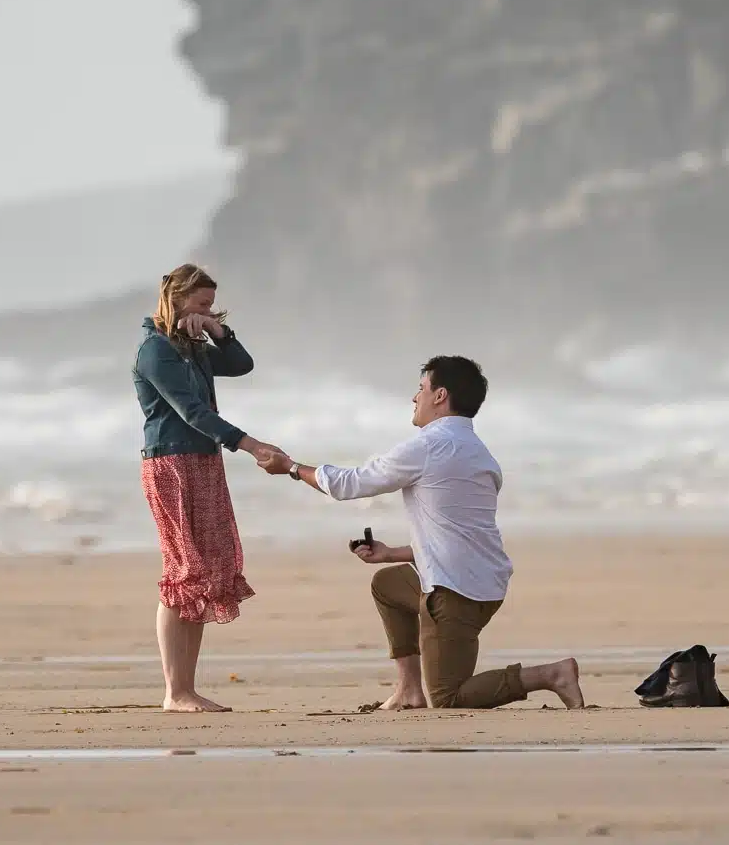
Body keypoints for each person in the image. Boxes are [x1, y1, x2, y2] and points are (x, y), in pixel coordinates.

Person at [258, 356, 583, 710]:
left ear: (440, 396)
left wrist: (290, 467)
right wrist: (390, 553)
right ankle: (409, 691)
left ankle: (551, 675)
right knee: (387, 584)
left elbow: (349, 484)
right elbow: (457, 537)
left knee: (448, 697)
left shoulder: (430, 446)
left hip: (456, 592)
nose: (415, 398)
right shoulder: (480, 454)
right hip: (481, 582)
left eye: (421, 389)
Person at [132, 263, 282, 712]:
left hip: (203, 462)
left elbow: (241, 364)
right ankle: (175, 692)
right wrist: (251, 445)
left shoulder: (190, 347)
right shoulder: (156, 351)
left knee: (201, 576)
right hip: (171, 464)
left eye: (211, 306)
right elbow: (192, 411)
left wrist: (218, 329)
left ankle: (186, 688)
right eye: (201, 304)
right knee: (184, 572)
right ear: (176, 300)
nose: (207, 311)